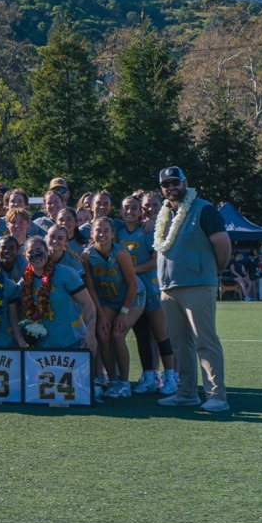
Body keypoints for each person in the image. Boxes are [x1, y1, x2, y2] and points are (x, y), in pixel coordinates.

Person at [155, 166, 230, 412]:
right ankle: (186, 393)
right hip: (168, 288)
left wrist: (213, 272)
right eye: (166, 184)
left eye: (175, 182)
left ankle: (217, 396)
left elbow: (222, 244)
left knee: (205, 341)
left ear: (185, 182)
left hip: (198, 284)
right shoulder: (164, 213)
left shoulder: (204, 208)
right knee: (179, 344)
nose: (171, 188)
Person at [118, 195, 178, 395]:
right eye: (126, 208)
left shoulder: (147, 231)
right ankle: (149, 376)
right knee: (142, 336)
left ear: (140, 211)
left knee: (161, 334)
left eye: (134, 208)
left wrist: (132, 270)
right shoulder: (117, 230)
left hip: (150, 290)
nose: (130, 212)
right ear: (120, 211)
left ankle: (171, 376)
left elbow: (155, 260)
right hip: (132, 293)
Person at [82, 216, 143, 399]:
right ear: (92, 233)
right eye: (98, 230)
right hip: (108, 301)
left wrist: (123, 313)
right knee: (102, 335)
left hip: (132, 299)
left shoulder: (120, 253)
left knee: (117, 335)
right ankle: (113, 380)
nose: (102, 234)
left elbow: (132, 285)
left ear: (112, 233)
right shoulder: (87, 255)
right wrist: (100, 315)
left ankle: (125, 383)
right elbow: (91, 287)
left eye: (106, 230)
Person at [18, 237, 97, 353]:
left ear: (47, 251)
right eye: (31, 253)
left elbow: (88, 303)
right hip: (42, 346)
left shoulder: (66, 273)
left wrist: (90, 333)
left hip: (72, 342)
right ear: (26, 256)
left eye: (39, 250)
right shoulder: (23, 283)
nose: (35, 255)